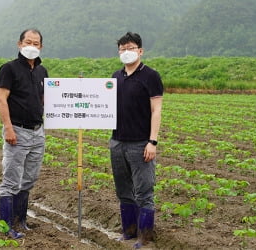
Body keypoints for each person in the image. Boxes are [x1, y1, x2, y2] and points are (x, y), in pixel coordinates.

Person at [110, 32, 163, 249]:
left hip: (141, 143)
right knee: (123, 190)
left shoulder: (150, 76)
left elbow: (156, 109)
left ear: (140, 50)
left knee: (144, 191)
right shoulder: (116, 76)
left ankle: (145, 236)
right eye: (122, 49)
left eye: (130, 48)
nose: (126, 52)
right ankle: (129, 231)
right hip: (117, 142)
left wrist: (152, 141)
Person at [0, 28, 48, 239]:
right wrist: (8, 127)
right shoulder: (9, 69)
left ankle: (21, 221)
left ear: (41, 47)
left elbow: (45, 98)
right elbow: (2, 99)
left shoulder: (42, 71)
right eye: (28, 42)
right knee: (11, 180)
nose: (32, 46)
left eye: (36, 43)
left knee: (29, 179)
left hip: (37, 131)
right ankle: (6, 226)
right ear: (19, 44)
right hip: (17, 130)